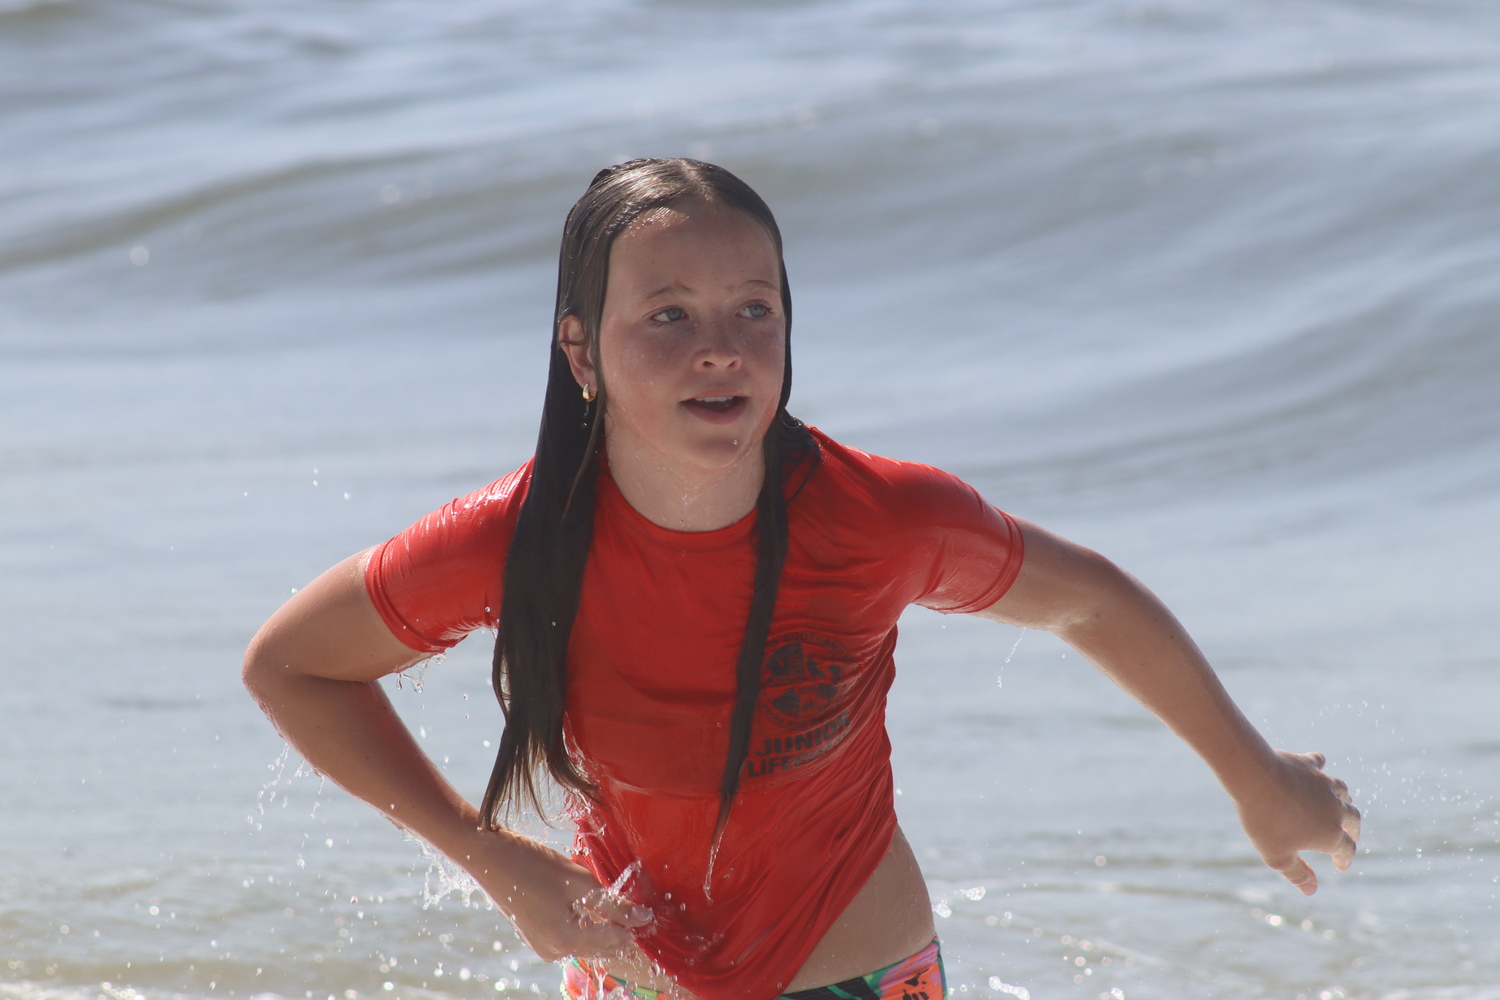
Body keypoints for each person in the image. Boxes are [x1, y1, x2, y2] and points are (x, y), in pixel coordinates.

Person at [242, 158, 1361, 1000]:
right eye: (668, 315)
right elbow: (293, 665)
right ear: (582, 353)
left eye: (753, 310)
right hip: (635, 981)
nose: (719, 346)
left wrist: (1255, 777)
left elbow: (1091, 599)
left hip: (861, 968)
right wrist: (492, 858)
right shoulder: (519, 541)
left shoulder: (878, 518)